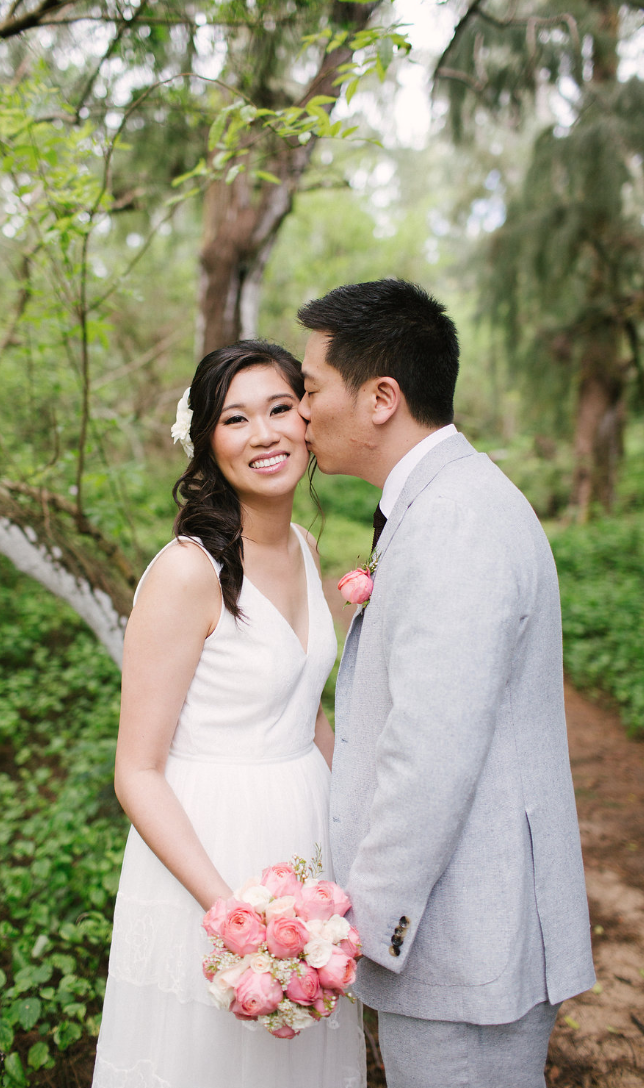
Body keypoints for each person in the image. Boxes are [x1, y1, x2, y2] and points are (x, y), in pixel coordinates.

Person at [297, 279, 595, 1088]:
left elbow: (429, 754)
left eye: (311, 387)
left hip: (463, 937)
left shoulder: (454, 520)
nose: (300, 410)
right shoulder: (444, 503)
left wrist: (359, 930)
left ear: (381, 397)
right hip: (460, 927)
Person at [92, 340, 366, 1088]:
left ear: (308, 419)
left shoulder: (307, 547)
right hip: (210, 851)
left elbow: (306, 714)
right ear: (208, 443)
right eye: (236, 419)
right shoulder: (187, 572)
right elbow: (137, 771)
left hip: (305, 835)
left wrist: (362, 824)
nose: (266, 434)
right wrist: (234, 915)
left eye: (281, 408)